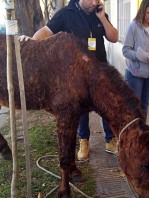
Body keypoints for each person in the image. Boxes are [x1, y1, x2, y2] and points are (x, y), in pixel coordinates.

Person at [19, 0, 119, 161]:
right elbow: (46, 30)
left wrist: (102, 18)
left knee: (106, 106)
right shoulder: (66, 14)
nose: (94, 3)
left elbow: (114, 38)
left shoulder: (100, 14)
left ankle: (110, 140)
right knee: (81, 110)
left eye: (97, 0)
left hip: (99, 71)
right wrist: (31, 42)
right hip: (77, 75)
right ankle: (84, 141)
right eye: (91, 0)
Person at [122, 0, 149, 118]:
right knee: (134, 107)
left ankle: (142, 133)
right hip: (135, 74)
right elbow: (125, 50)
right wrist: (143, 56)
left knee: (144, 105)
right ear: (142, 10)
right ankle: (132, 134)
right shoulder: (133, 26)